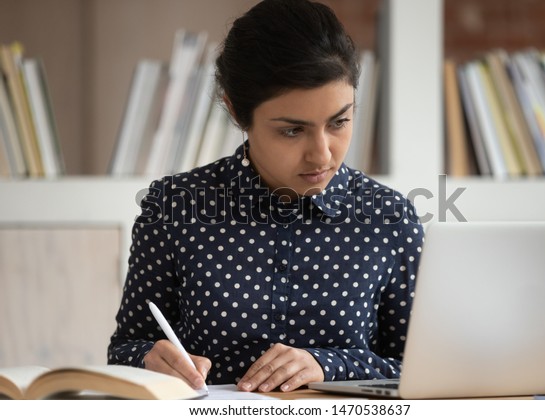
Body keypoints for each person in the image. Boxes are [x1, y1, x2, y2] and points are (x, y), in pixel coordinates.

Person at [107, 0, 424, 393]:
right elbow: (125, 348)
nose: (322, 154)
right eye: (293, 130)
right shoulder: (174, 207)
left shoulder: (390, 218)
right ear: (237, 112)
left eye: (339, 121)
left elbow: (420, 367)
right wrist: (148, 359)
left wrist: (326, 364)